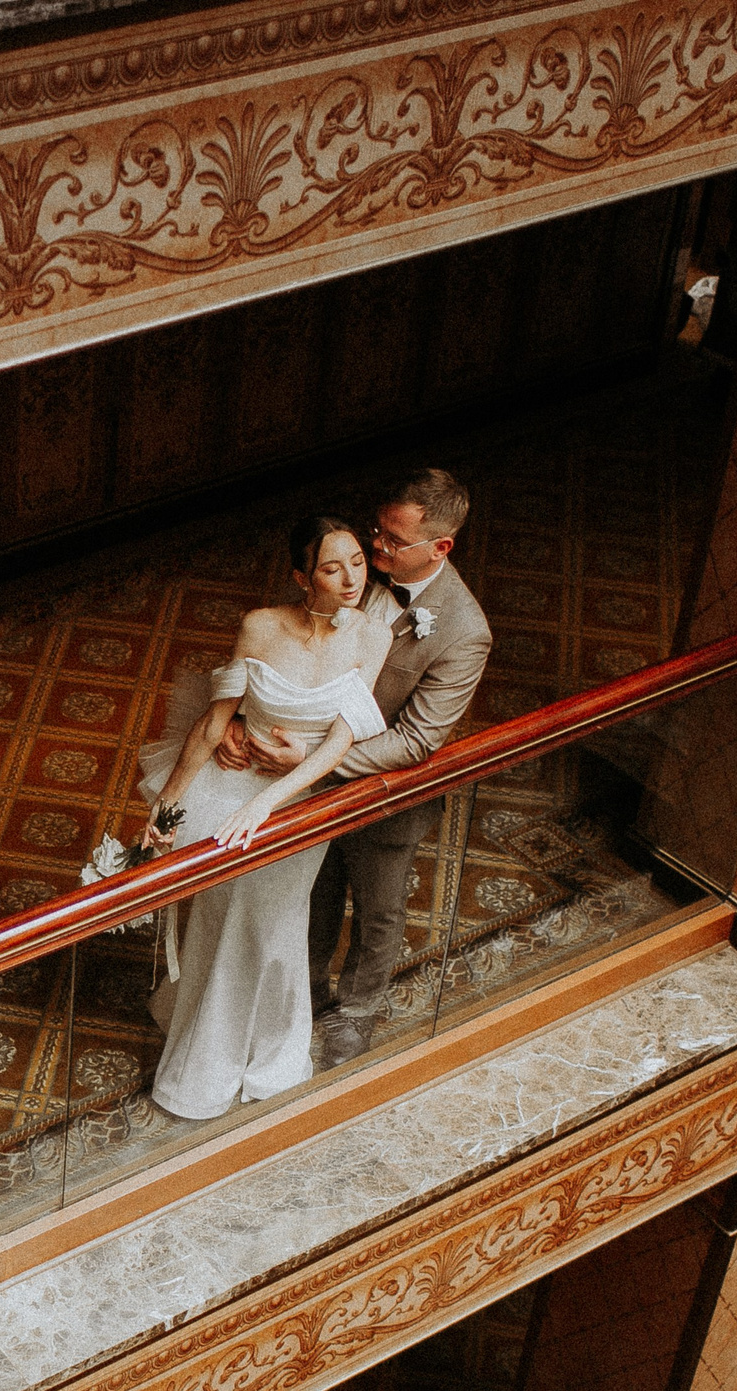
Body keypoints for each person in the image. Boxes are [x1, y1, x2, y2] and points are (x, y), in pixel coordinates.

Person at [216, 469, 493, 1069]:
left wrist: (316, 763)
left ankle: (359, 1009)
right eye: (378, 532)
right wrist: (244, 718)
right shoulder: (357, 571)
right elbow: (287, 647)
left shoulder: (465, 632)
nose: (376, 548)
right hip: (303, 773)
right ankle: (304, 989)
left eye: (393, 541)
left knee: (378, 907)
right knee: (315, 888)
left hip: (385, 789)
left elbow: (417, 740)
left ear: (440, 548)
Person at [130, 518, 393, 1121]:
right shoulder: (259, 625)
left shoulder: (372, 636)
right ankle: (200, 1034)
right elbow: (215, 720)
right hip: (230, 784)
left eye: (358, 561)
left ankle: (265, 1054)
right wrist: (166, 810)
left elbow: (337, 745)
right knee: (222, 915)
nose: (352, 578)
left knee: (269, 924)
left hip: (300, 800)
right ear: (303, 578)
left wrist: (268, 805)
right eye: (332, 568)